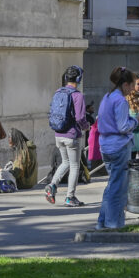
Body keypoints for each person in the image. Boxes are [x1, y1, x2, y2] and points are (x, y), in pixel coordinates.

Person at [96, 66, 139, 229]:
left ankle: (103, 221)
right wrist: (136, 121)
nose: (132, 89)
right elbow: (123, 126)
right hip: (119, 146)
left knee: (111, 185)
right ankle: (113, 222)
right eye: (131, 85)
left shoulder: (107, 97)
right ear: (125, 84)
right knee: (118, 188)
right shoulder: (121, 100)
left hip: (106, 145)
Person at [46, 65, 89, 207]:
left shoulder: (58, 92)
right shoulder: (77, 95)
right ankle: (70, 197)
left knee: (65, 162)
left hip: (58, 134)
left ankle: (52, 185)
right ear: (78, 79)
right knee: (75, 166)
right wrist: (86, 127)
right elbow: (80, 118)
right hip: (71, 136)